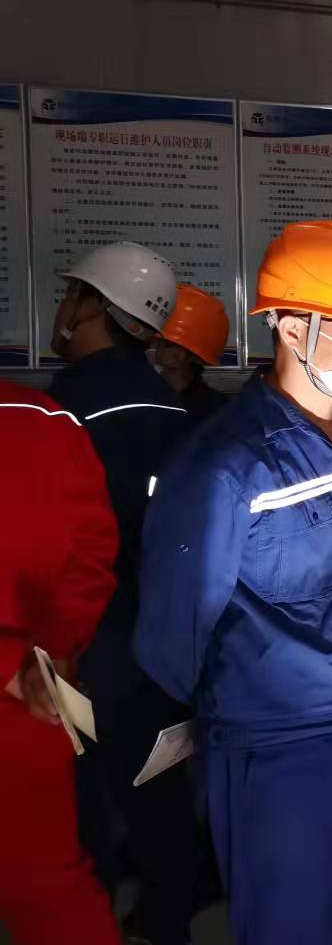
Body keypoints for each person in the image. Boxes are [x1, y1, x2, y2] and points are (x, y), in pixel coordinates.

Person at [134, 219, 332, 945]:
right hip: (276, 750)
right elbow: (172, 635)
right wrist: (233, 708)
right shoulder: (225, 463)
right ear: (292, 328)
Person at [45, 240, 206, 945]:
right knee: (160, 800)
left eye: (72, 293)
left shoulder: (60, 409)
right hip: (162, 653)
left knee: (80, 812)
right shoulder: (176, 411)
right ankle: (168, 928)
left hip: (77, 656)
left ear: (93, 308)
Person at [0, 381, 123, 945]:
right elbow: (92, 551)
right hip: (36, 697)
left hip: (27, 690)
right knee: (53, 892)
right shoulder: (45, 417)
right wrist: (54, 650)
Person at [150, 283, 230, 420]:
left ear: (178, 355)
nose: (154, 346)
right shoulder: (218, 407)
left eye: (162, 343)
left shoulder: (211, 410)